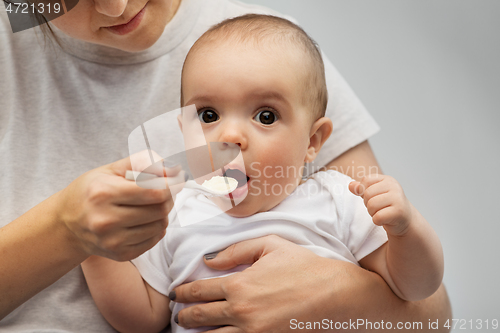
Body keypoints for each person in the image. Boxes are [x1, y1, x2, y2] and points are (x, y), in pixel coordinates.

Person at [0, 0, 452, 332]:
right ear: (183, 131)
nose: (229, 138)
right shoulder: (176, 213)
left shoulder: (335, 197)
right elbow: (143, 318)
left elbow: (423, 301)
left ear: (313, 141)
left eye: (266, 117)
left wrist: (406, 231)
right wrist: (90, 246)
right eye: (208, 117)